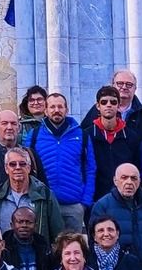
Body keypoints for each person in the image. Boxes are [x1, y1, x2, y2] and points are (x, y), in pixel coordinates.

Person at [23, 93, 93, 232]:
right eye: (52, 106)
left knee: (73, 249)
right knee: (46, 249)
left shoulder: (82, 135)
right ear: (46, 110)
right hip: (44, 203)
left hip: (73, 205)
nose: (57, 110)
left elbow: (90, 169)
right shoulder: (35, 135)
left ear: (66, 110)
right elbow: (26, 167)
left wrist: (85, 202)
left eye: (60, 106)